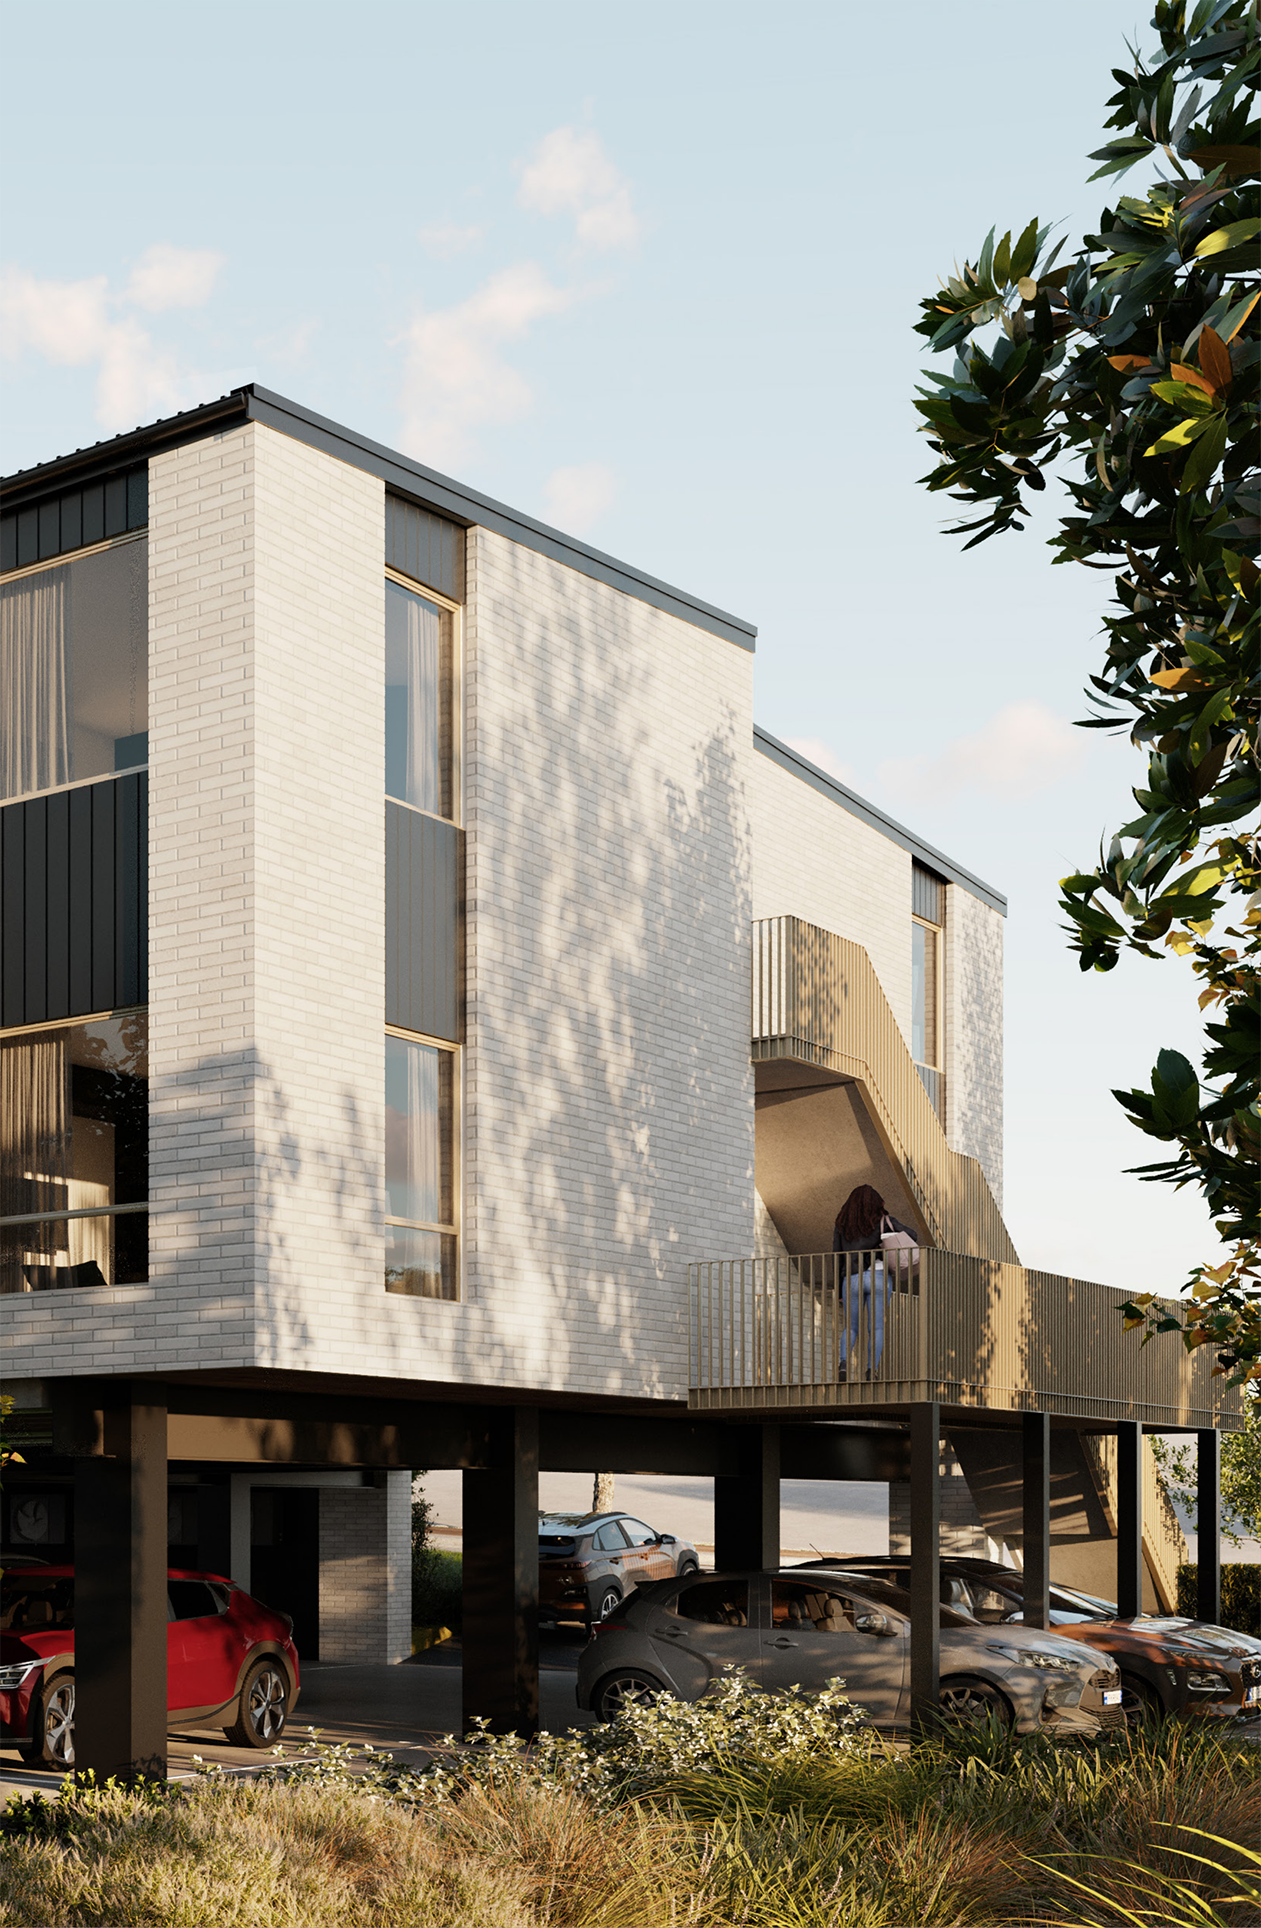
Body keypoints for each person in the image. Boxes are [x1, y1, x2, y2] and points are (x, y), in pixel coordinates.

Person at [831, 1185, 919, 1376]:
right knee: (876, 1327)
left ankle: (844, 1363)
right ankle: (872, 1369)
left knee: (851, 1326)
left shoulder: (842, 1224)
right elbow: (912, 1234)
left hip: (852, 1278)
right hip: (878, 1276)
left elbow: (836, 1257)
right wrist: (884, 1240)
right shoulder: (884, 1221)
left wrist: (839, 1289)